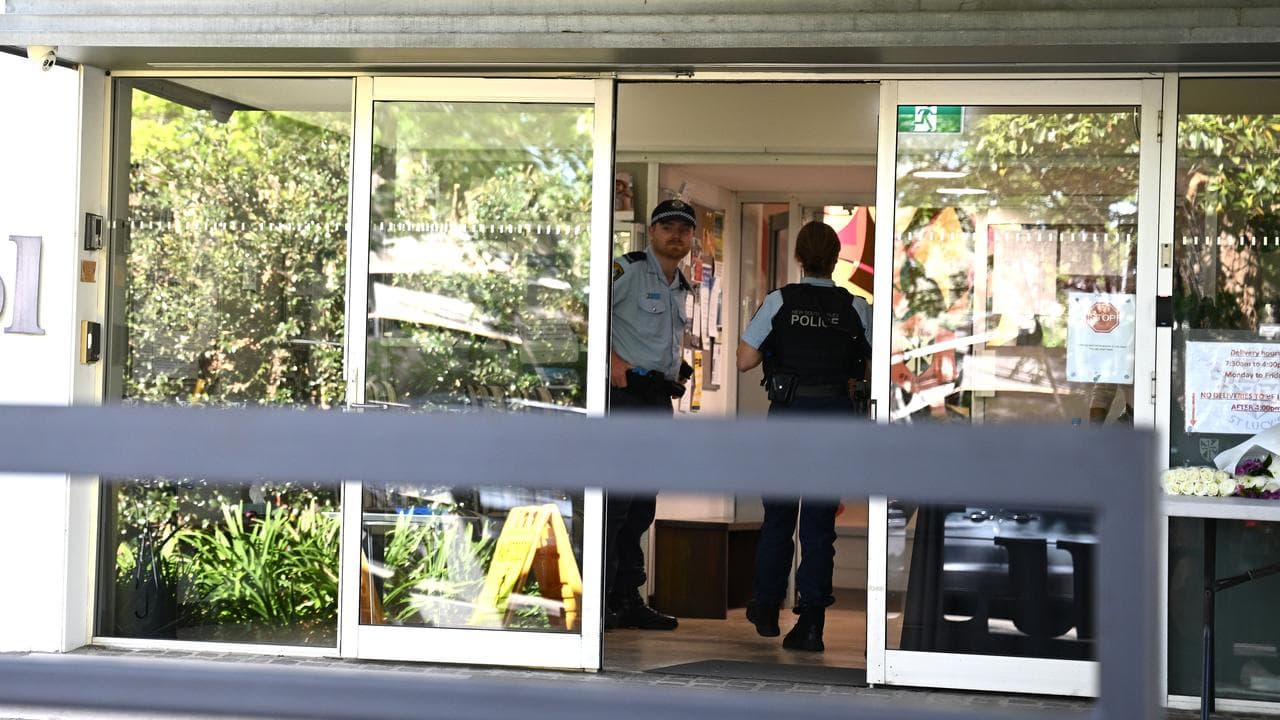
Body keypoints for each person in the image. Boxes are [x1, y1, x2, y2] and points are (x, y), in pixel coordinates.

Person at [735, 220, 872, 652]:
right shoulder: (857, 307)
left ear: (799, 256)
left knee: (778, 516)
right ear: (836, 259)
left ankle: (767, 607)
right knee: (817, 526)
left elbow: (743, 360)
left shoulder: (779, 301)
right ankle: (811, 622)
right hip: (833, 423)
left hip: (788, 421)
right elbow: (870, 364)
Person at [604, 198, 696, 631]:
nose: (676, 234)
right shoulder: (628, 270)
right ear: (652, 233)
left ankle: (627, 596)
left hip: (656, 401)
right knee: (617, 503)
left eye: (684, 228)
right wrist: (612, 361)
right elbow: (581, 314)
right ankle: (601, 600)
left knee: (642, 505)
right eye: (668, 227)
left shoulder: (681, 283)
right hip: (623, 401)